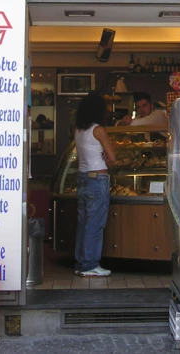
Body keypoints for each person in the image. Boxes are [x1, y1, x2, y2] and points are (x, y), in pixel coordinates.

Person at [74, 91, 116, 277]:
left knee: (84, 223)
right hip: (97, 180)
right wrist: (107, 156)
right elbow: (113, 158)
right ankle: (90, 264)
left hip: (82, 178)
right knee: (95, 223)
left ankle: (81, 263)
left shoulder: (78, 129)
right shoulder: (98, 130)